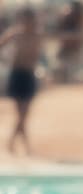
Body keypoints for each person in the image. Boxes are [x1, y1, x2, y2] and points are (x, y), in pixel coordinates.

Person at [0, 9, 42, 155]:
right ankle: (25, 145)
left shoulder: (38, 35)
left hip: (29, 74)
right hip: (17, 74)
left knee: (24, 113)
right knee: (21, 113)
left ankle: (14, 142)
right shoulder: (15, 34)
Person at [55, 1, 83, 83]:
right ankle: (65, 80)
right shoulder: (67, 17)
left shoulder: (79, 17)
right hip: (67, 47)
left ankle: (72, 80)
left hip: (75, 47)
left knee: (76, 67)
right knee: (65, 65)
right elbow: (60, 30)